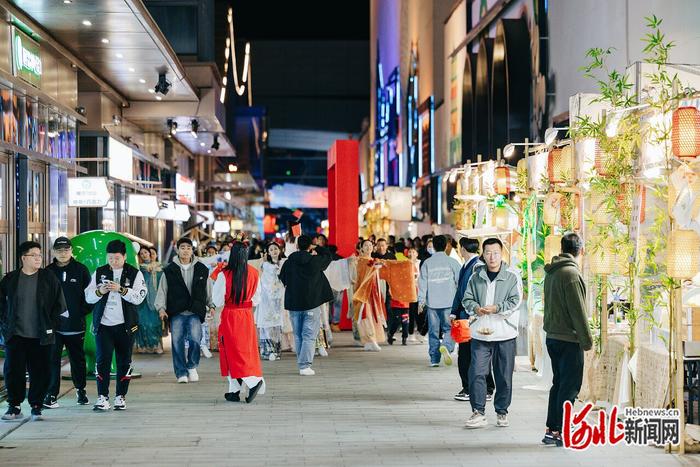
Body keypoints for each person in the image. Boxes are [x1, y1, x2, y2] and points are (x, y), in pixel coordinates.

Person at [462, 237, 523, 429]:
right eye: (488, 253)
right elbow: (467, 299)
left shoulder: (512, 275)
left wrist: (497, 308)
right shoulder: (476, 276)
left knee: (504, 375)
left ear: (501, 253)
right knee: (477, 373)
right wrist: (476, 309)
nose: (492, 257)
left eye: (495, 252)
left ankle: (502, 411)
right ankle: (478, 412)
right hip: (480, 333)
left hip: (504, 333)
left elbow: (516, 300)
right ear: (483, 254)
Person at [1, 241, 65, 421]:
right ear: (23, 258)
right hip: (16, 335)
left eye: (40, 255)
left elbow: (59, 304)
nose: (38, 258)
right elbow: (2, 305)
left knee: (41, 371)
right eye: (34, 255)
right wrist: (5, 325)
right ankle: (14, 406)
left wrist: (51, 325)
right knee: (13, 371)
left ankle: (36, 405)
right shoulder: (11, 279)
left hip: (41, 335)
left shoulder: (48, 278)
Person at [542, 233, 592, 446]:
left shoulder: (553, 272)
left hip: (553, 336)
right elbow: (578, 311)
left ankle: (552, 429)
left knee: (559, 383)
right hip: (568, 339)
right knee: (570, 386)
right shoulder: (571, 274)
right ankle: (564, 429)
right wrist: (587, 339)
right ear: (580, 250)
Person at [85, 239, 147, 411]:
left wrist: (121, 290)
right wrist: (99, 291)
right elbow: (88, 296)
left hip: (126, 326)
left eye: (117, 258)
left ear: (125, 256)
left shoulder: (135, 274)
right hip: (104, 325)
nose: (113, 262)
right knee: (102, 360)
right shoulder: (99, 272)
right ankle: (102, 397)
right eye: (110, 258)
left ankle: (120, 396)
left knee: (124, 361)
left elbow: (140, 297)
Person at [213, 240, 265, 403]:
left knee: (233, 352)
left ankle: (253, 382)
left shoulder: (224, 274)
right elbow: (257, 299)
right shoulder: (254, 273)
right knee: (244, 352)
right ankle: (234, 391)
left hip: (231, 316)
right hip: (247, 316)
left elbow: (217, 300)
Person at [155, 237, 213, 383]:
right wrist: (161, 308)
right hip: (176, 311)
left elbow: (208, 289)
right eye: (183, 248)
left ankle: (192, 366)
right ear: (177, 250)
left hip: (195, 310)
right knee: (177, 343)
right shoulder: (169, 270)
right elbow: (162, 290)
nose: (185, 250)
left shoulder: (202, 269)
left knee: (195, 339)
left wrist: (211, 305)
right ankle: (181, 372)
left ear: (192, 250)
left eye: (188, 248)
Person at [44, 237, 92, 409]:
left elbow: (90, 295)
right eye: (59, 250)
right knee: (52, 360)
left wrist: (80, 312)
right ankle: (51, 394)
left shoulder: (80, 270)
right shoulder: (48, 272)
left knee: (77, 360)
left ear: (71, 251)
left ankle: (81, 389)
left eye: (66, 250)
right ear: (53, 252)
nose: (63, 253)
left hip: (75, 325)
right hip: (54, 326)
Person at [279, 234, 334, 375]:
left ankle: (302, 363)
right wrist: (316, 247)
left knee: (298, 335)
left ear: (297, 246)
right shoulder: (315, 261)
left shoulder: (289, 262)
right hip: (312, 303)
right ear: (310, 246)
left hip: (293, 303)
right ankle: (304, 366)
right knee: (309, 334)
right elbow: (329, 255)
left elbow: (282, 278)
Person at [449, 237, 494, 403]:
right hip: (465, 316)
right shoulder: (466, 266)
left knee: (471, 355)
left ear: (462, 248)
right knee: (469, 353)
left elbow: (478, 293)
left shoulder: (477, 267)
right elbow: (459, 291)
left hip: (472, 317)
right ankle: (478, 387)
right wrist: (454, 312)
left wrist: (472, 312)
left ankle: (475, 388)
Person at [417, 235, 461, 367]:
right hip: (449, 302)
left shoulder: (427, 263)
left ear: (434, 247)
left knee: (433, 331)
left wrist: (421, 301)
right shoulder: (453, 262)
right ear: (447, 246)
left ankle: (434, 359)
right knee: (449, 329)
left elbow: (422, 283)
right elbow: (460, 282)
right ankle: (446, 346)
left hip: (432, 304)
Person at [256, 242, 286, 361]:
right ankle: (268, 351)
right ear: (268, 253)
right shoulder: (265, 265)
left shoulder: (284, 263)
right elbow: (264, 282)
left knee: (277, 324)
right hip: (267, 299)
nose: (274, 251)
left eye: (275, 249)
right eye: (271, 249)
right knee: (267, 324)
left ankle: (277, 351)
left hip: (279, 299)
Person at [134, 244, 163, 354]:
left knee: (154, 323)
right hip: (142, 301)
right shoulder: (138, 268)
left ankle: (156, 345)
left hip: (155, 300)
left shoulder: (159, 267)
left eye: (145, 252)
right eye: (141, 253)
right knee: (142, 323)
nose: (144, 255)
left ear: (150, 254)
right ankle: (143, 346)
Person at [406, 247, 425, 344]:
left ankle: (421, 332)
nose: (411, 253)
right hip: (409, 291)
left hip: (419, 290)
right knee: (411, 313)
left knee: (420, 312)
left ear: (417, 254)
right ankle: (411, 333)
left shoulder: (420, 263)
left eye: (413, 252)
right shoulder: (405, 263)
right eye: (409, 252)